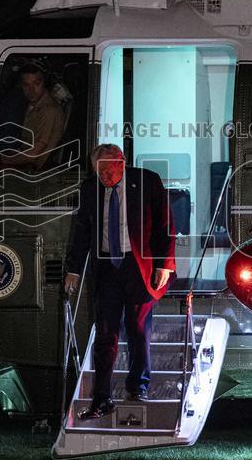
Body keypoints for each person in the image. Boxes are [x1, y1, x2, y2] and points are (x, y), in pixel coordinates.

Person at [63, 144, 175, 418]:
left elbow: (165, 225)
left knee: (137, 328)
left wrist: (164, 265)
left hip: (138, 267)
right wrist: (73, 270)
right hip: (107, 269)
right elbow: (82, 232)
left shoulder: (147, 181)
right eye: (98, 171)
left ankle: (138, 385)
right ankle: (102, 398)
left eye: (107, 170)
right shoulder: (91, 188)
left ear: (121, 162)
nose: (103, 177)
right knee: (105, 333)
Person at [0, 63, 65, 171]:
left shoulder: (49, 110)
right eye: (26, 85)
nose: (31, 90)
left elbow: (33, 155)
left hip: (32, 172)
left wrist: (0, 159)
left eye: (36, 83)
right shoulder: (31, 104)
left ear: (44, 83)